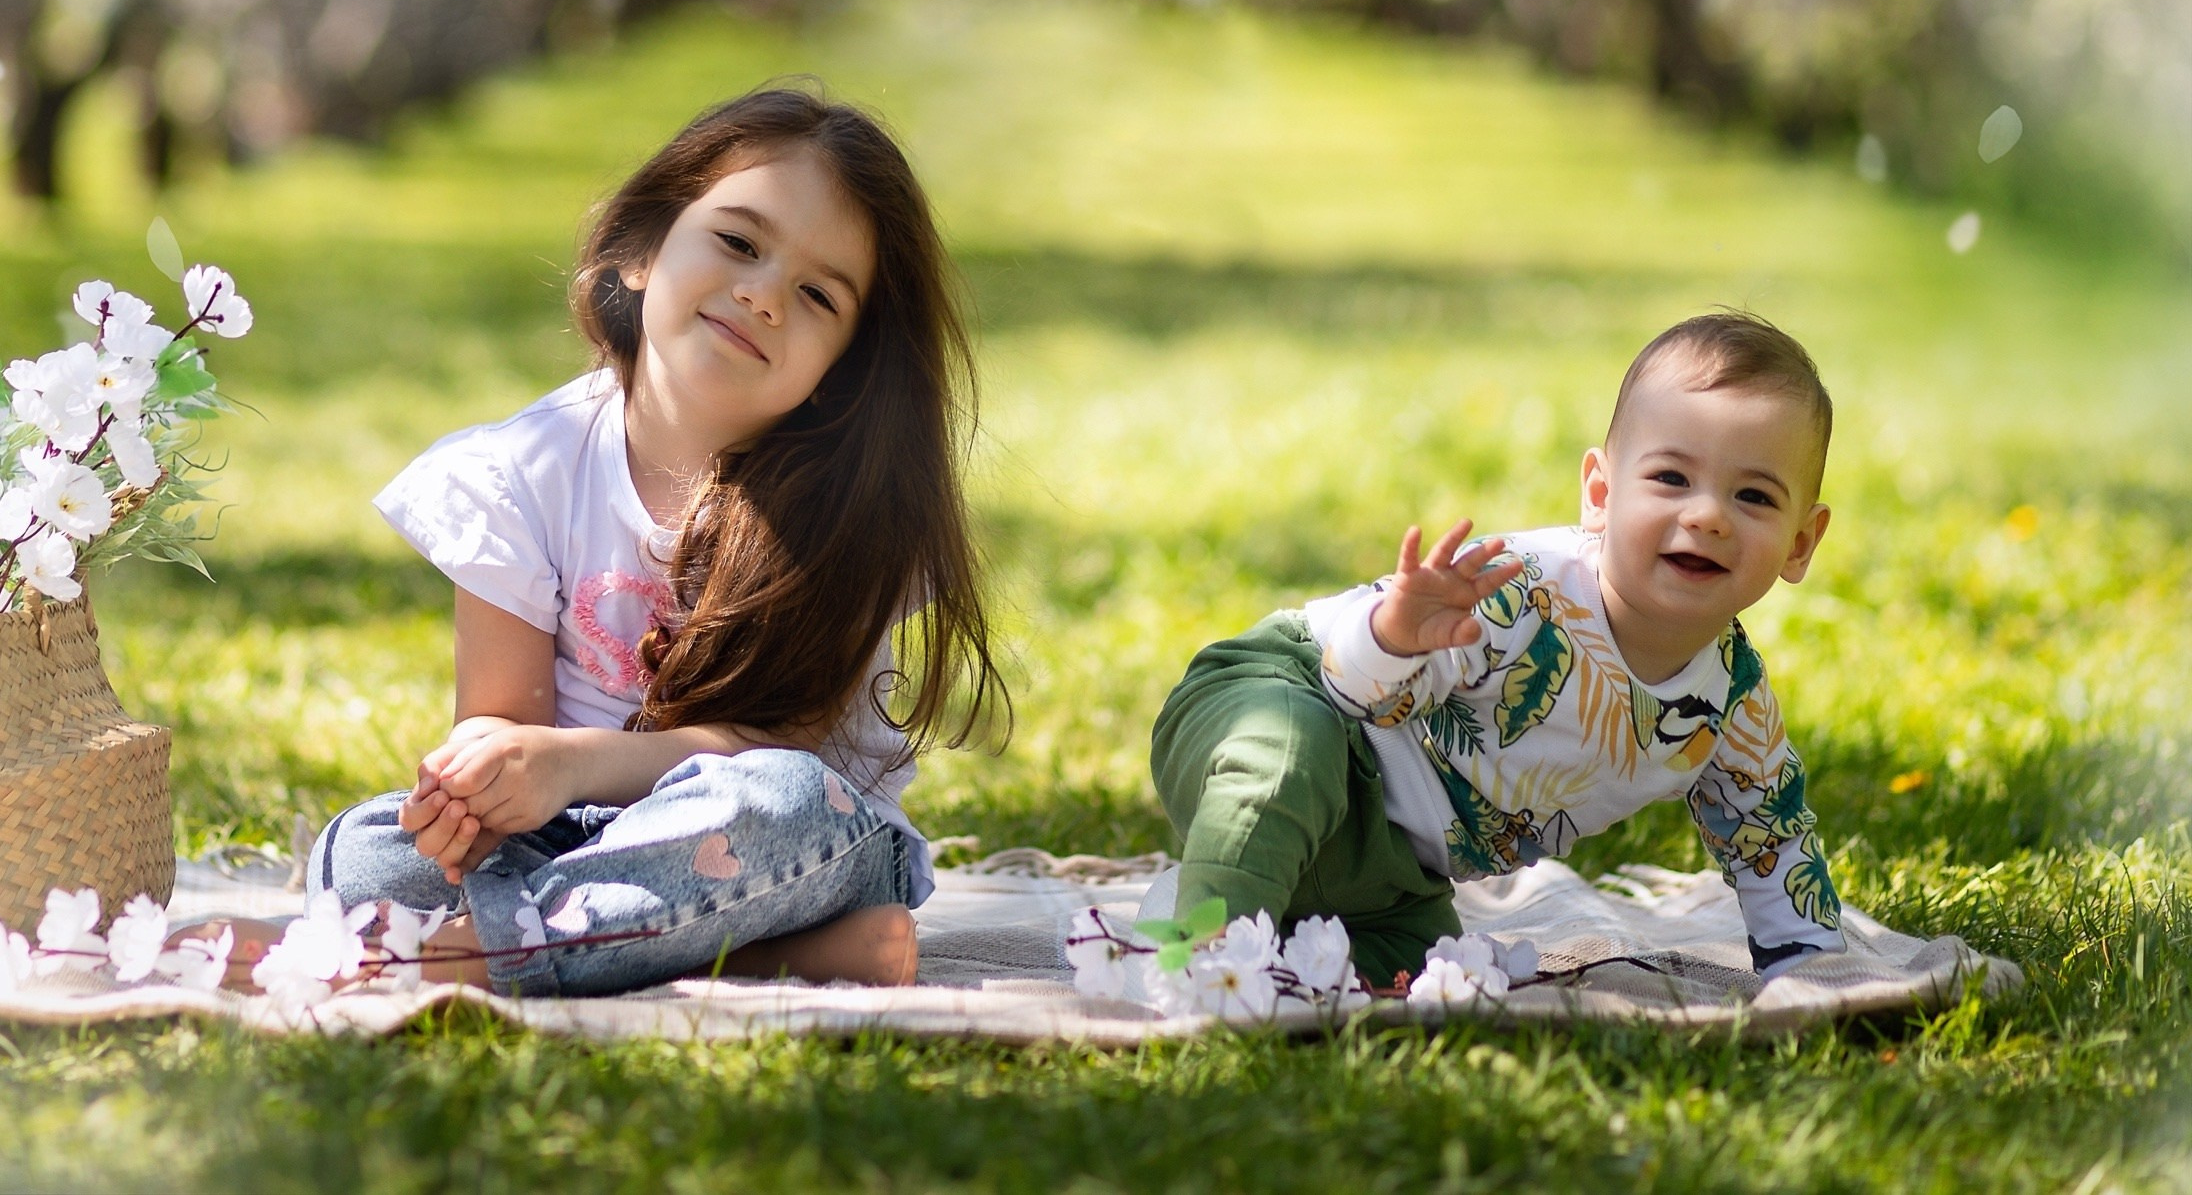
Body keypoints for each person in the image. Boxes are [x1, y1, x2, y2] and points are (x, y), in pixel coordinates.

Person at [303, 87, 1001, 996]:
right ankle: (731, 958)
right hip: (562, 839)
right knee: (366, 848)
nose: (761, 295)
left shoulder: (851, 514)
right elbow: (501, 717)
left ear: (847, 367)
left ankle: (497, 951)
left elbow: (777, 749)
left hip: (795, 852)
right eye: (739, 243)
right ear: (641, 251)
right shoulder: (522, 472)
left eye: (818, 294)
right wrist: (473, 785)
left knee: (778, 801)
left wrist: (579, 766)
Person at [1148, 311, 1847, 987]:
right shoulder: (1525, 594)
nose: (1707, 517)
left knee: (1432, 966)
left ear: (1799, 542)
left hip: (1389, 865)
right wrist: (1395, 638)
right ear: (1601, 494)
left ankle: (1257, 939)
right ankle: (1199, 959)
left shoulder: (1733, 704)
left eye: (1753, 496)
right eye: (1671, 479)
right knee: (1289, 760)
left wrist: (1813, 977)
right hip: (1284, 696)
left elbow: (1771, 841)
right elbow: (1354, 692)